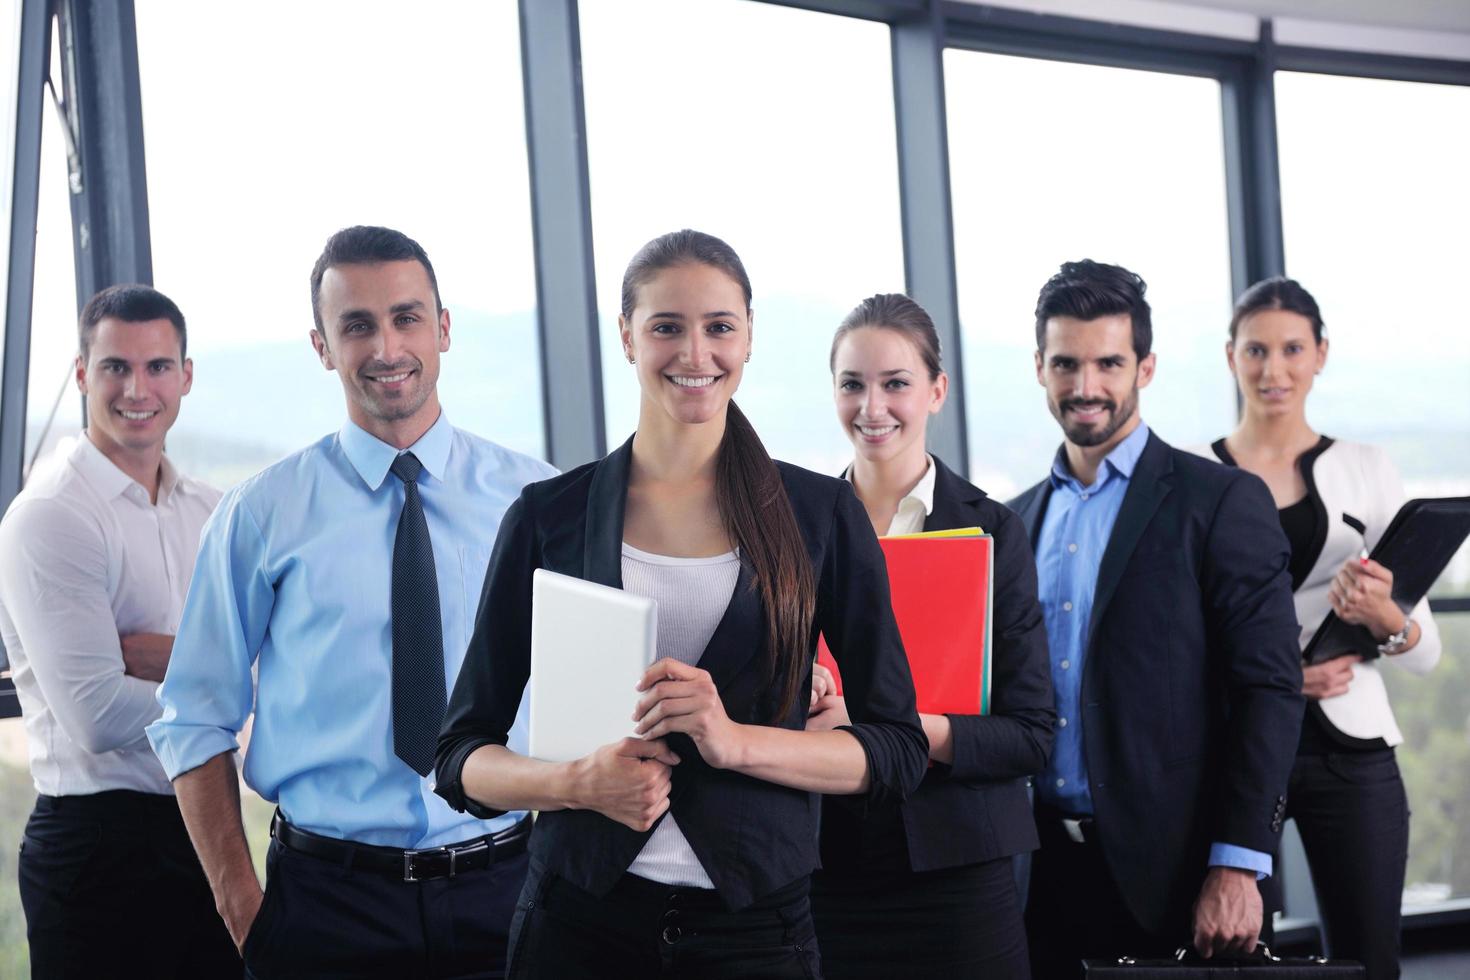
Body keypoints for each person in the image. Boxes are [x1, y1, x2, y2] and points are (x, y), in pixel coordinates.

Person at [434, 229, 928, 979]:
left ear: (750, 338)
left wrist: (735, 741)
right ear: (628, 338)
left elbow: (896, 749)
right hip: (577, 926)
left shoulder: (820, 516)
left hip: (755, 933)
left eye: (719, 327)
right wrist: (574, 784)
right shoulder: (548, 517)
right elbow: (460, 757)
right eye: (667, 327)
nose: (696, 354)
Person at [146, 226, 557, 979]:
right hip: (325, 912)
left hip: (508, 893)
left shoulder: (533, 501)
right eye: (357, 325)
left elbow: (592, 692)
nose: (386, 346)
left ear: (443, 328)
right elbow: (195, 719)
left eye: (406, 317)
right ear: (322, 345)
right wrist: (245, 912)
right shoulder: (260, 515)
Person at [1007, 260, 1305, 978]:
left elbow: (1269, 688)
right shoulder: (1012, 523)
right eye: (1066, 364)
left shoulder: (1218, 502)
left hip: (1172, 873)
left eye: (1109, 363)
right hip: (1032, 876)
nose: (1086, 387)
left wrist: (1238, 864)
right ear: (1040, 368)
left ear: (1145, 366)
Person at [804, 293, 1054, 979]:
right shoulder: (799, 532)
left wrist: (895, 726)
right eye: (852, 384)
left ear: (937, 391)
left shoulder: (993, 532)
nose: (872, 406)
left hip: (958, 871)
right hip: (826, 871)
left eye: (896, 384)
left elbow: (1031, 734)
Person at [1197, 277, 1440, 979]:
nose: (1274, 369)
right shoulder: (1194, 477)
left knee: (1370, 963)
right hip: (1233, 756)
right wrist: (1277, 680)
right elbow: (1170, 644)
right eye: (1256, 350)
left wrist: (1382, 615)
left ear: (1321, 354)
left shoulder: (1368, 469)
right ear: (1230, 356)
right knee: (1235, 958)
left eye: (1292, 349)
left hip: (1351, 754)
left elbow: (1426, 655)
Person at [0, 285, 238, 977]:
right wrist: (227, 677)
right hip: (97, 850)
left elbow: (271, 660)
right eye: (115, 368)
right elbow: (99, 716)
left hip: (205, 830)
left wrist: (176, 661)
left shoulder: (213, 512)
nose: (138, 388)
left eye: (158, 366)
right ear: (82, 374)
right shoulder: (51, 515)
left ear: (185, 376)